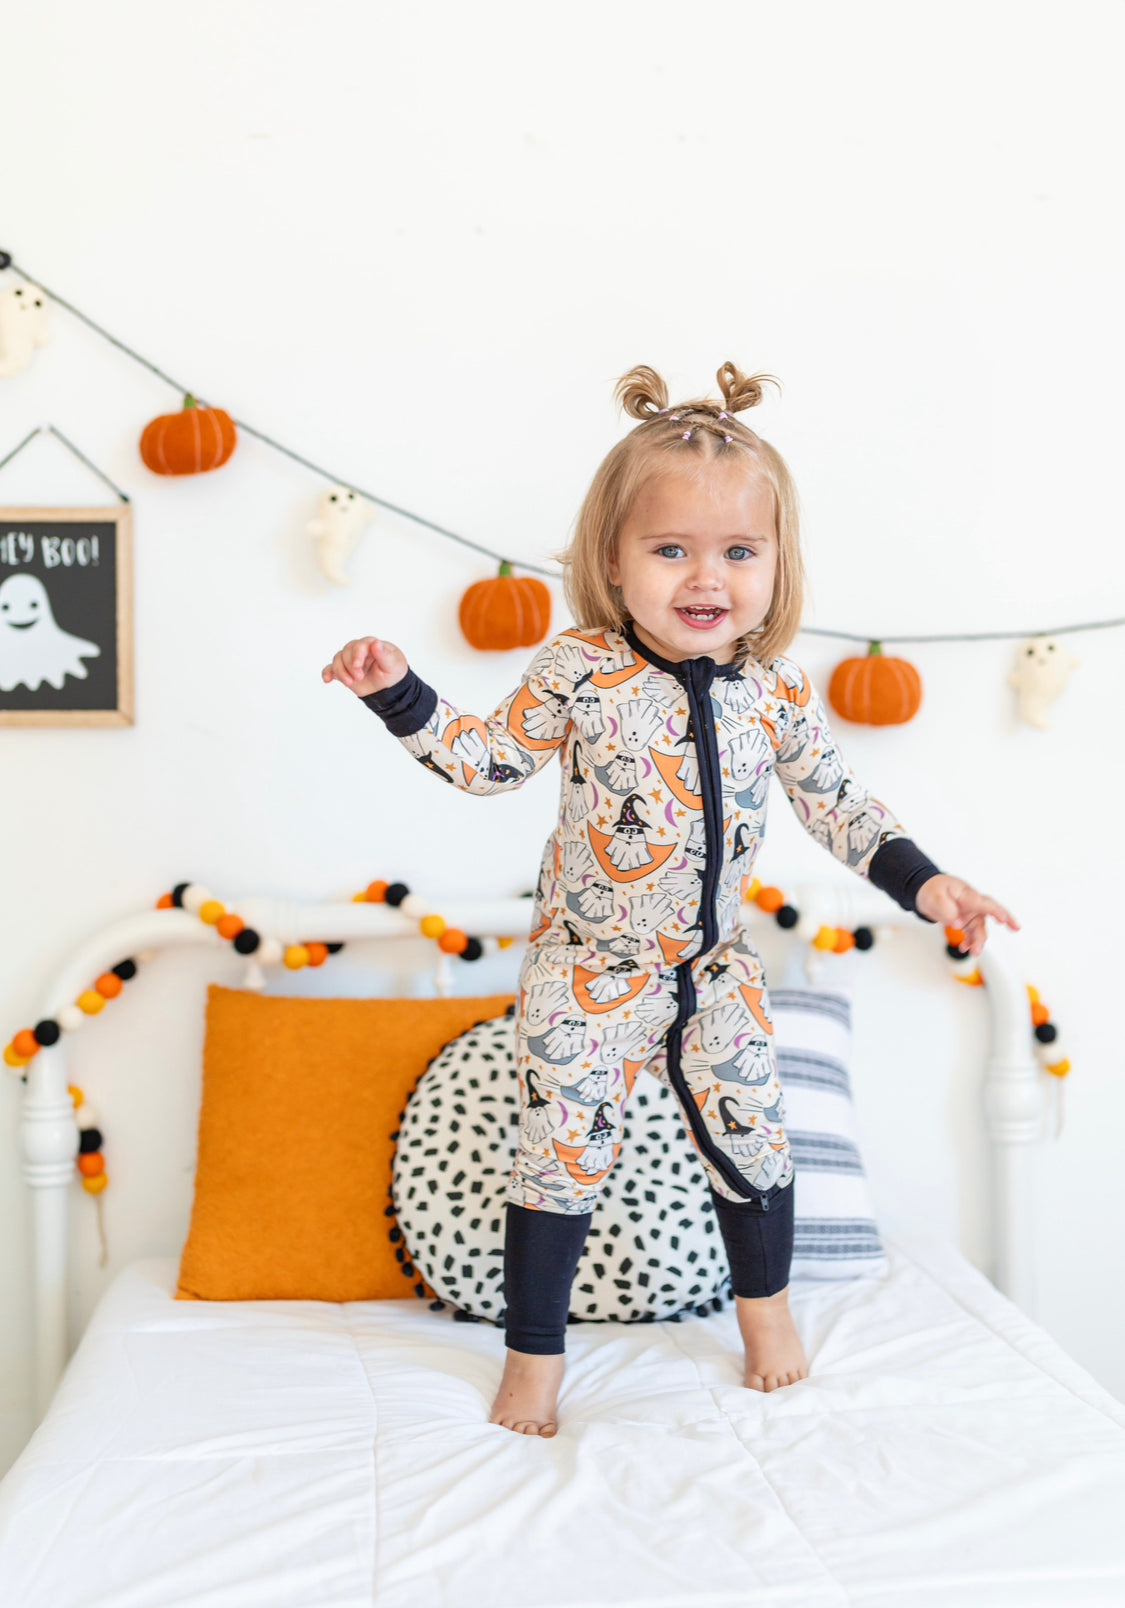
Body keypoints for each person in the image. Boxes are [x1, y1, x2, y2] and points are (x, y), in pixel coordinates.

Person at [321, 361, 1020, 1438]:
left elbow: (838, 806)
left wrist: (927, 882)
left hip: (715, 971)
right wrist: (398, 695)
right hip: (586, 971)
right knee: (559, 1161)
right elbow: (490, 762)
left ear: (777, 562)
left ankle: (767, 1317)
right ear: (614, 559)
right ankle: (533, 1360)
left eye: (739, 552)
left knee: (759, 1147)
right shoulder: (580, 670)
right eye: (671, 550)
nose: (707, 577)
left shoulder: (774, 688)